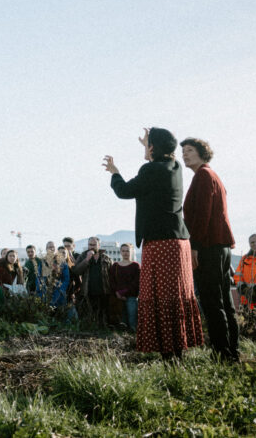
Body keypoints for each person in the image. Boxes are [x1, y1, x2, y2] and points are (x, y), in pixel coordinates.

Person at [104, 127, 203, 360]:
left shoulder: (150, 170)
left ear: (154, 149)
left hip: (160, 244)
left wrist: (115, 172)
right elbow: (164, 158)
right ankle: (177, 351)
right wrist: (149, 146)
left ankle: (170, 355)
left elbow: (125, 191)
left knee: (160, 298)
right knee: (176, 296)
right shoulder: (176, 168)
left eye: (149, 145)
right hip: (179, 242)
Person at [181, 137, 240, 361]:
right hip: (220, 246)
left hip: (209, 247)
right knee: (224, 301)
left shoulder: (204, 176)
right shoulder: (209, 175)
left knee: (213, 302)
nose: (185, 154)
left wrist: (194, 246)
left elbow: (202, 214)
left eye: (190, 150)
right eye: (183, 151)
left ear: (202, 153)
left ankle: (222, 354)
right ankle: (231, 352)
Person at [72, 237, 114, 327]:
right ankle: (91, 329)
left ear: (99, 245)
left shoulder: (106, 258)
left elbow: (112, 275)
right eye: (90, 244)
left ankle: (104, 330)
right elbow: (76, 271)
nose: (91, 247)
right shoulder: (83, 256)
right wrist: (87, 259)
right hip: (88, 291)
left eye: (94, 245)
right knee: (90, 315)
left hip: (104, 291)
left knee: (103, 314)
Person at [109, 243, 140, 332]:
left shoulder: (135, 266)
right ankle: (123, 340)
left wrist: (123, 292)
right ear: (120, 252)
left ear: (131, 252)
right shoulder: (115, 266)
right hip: (118, 298)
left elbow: (136, 283)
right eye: (123, 251)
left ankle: (133, 340)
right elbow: (112, 281)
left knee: (132, 320)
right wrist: (117, 293)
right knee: (122, 322)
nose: (125, 253)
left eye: (127, 251)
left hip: (131, 297)